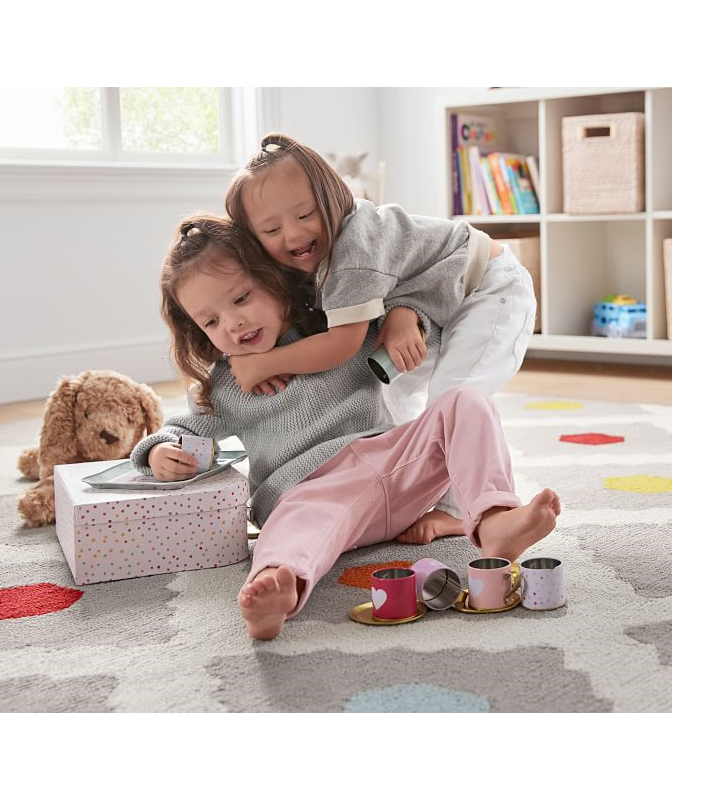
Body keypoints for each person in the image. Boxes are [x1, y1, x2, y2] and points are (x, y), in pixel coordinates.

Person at [131, 214, 560, 640]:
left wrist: (406, 315)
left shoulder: (341, 327)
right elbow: (181, 429)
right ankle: (277, 586)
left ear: (274, 280)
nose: (232, 323)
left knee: (466, 401)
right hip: (310, 493)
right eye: (211, 321)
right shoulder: (224, 385)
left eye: (241, 298)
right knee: (289, 526)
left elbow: (427, 330)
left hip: (394, 467)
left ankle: (495, 519)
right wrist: (157, 451)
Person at [224, 133, 537, 545]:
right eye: (271, 229)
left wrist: (264, 363)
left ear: (333, 197)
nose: (294, 234)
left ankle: (473, 511)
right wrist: (403, 308)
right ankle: (401, 484)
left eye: (305, 215)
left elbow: (343, 345)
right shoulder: (313, 260)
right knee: (388, 395)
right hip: (435, 300)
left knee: (457, 396)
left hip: (487, 289)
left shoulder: (351, 250)